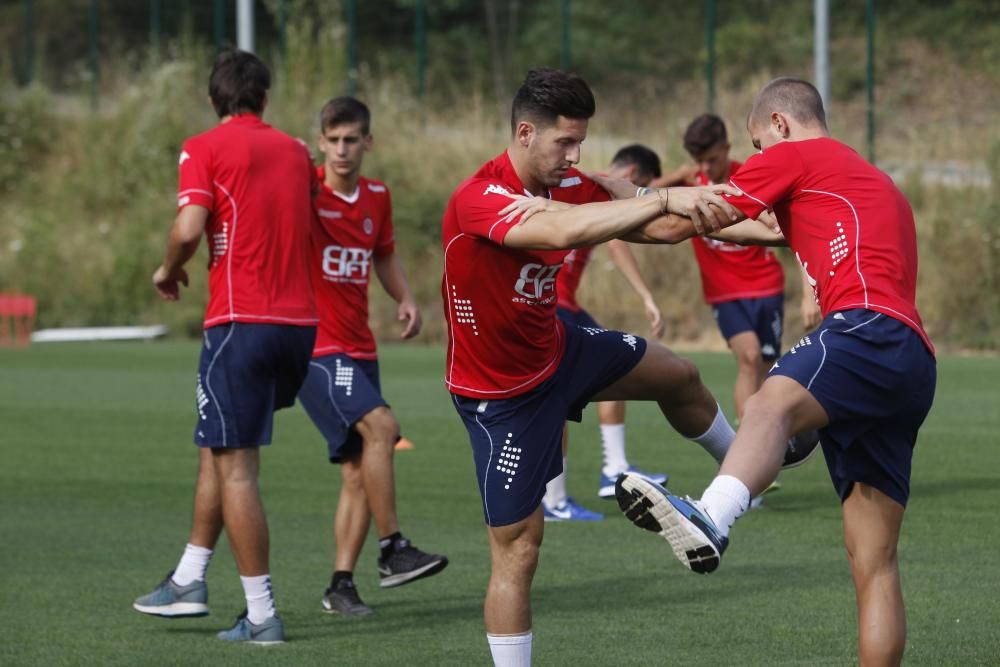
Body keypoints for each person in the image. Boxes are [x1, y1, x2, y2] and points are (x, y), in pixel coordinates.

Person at [605, 78, 936, 667]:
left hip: (865, 329)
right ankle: (776, 451)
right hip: (910, 359)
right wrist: (623, 195)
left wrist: (584, 199)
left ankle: (711, 515)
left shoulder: (796, 156)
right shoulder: (863, 178)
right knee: (874, 562)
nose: (760, 159)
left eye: (759, 145)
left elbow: (675, 223)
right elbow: (734, 225)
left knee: (767, 403)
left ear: (780, 124)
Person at [442, 67, 750, 667]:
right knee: (519, 549)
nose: (575, 154)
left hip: (561, 350)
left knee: (679, 375)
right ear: (526, 133)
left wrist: (768, 224)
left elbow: (657, 225)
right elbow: (564, 226)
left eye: (581, 140)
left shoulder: (571, 184)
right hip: (501, 399)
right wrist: (657, 195)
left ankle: (745, 467)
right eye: (565, 142)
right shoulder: (479, 198)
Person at [132, 50, 318, 644]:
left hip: (240, 323)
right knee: (216, 448)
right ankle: (189, 577)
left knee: (236, 468)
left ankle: (261, 615)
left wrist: (168, 269)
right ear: (264, 98)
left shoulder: (204, 146)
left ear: (215, 101)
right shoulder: (295, 152)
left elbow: (190, 227)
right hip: (298, 327)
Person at [297, 96, 448, 617]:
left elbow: (383, 252)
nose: (342, 149)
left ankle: (340, 584)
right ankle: (393, 550)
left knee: (360, 470)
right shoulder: (306, 192)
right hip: (315, 347)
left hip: (360, 345)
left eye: (351, 140)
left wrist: (404, 296)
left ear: (368, 143)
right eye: (332, 140)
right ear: (321, 142)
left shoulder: (377, 197)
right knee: (383, 427)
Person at [655, 114, 822, 424]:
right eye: (698, 161)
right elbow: (641, 195)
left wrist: (809, 294)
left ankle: (767, 439)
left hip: (767, 286)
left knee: (770, 370)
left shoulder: (750, 175)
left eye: (712, 159)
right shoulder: (689, 185)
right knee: (750, 357)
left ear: (728, 148)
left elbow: (793, 229)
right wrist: (675, 175)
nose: (705, 168)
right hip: (725, 293)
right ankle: (747, 440)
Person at [542, 144, 669, 522]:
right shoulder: (593, 190)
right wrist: (646, 295)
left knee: (617, 367)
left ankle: (613, 468)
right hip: (552, 305)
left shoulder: (583, 183)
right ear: (630, 174)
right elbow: (616, 243)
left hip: (564, 303)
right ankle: (554, 500)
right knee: (558, 398)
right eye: (641, 186)